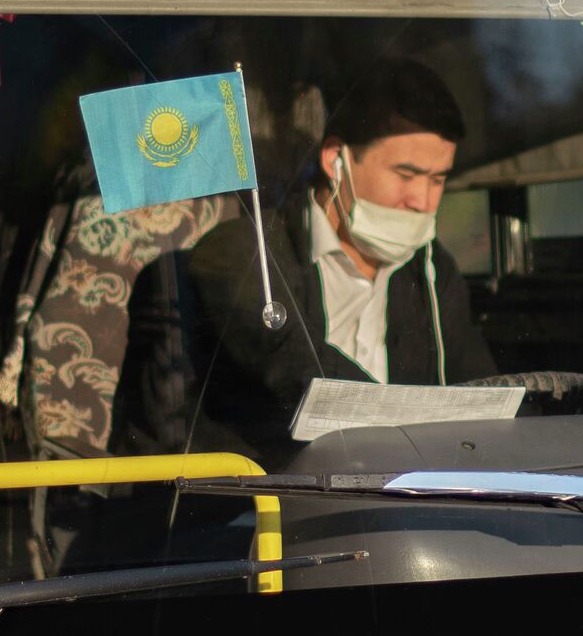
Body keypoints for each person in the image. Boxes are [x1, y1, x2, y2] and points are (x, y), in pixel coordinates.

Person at [185, 58, 498, 469]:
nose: (423, 200)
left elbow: (479, 393)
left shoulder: (432, 269)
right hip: (269, 500)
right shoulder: (245, 252)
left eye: (438, 179)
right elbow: (302, 376)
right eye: (406, 175)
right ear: (336, 160)